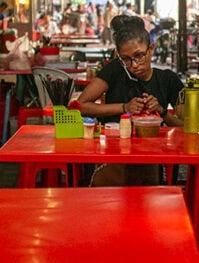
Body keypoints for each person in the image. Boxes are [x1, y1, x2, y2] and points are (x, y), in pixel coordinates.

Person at [76, 14, 185, 185]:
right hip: (112, 158)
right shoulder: (115, 71)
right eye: (126, 59)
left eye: (139, 56)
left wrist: (162, 111)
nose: (134, 65)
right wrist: (124, 107)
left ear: (151, 49)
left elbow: (187, 128)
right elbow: (80, 106)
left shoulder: (168, 80)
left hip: (151, 158)